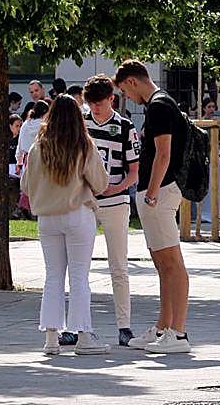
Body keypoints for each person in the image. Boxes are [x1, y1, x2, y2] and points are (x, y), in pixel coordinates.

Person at [20, 94, 111, 356]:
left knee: (53, 277)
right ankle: (83, 336)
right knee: (79, 277)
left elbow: (26, 185)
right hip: (77, 213)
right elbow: (101, 183)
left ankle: (51, 338)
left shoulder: (38, 147)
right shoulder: (83, 144)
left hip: (47, 218)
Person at [114, 59, 191, 353]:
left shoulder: (159, 105)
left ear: (133, 81)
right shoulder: (160, 104)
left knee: (172, 264)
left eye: (125, 91)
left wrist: (152, 193)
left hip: (158, 192)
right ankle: (163, 328)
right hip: (155, 191)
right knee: (163, 265)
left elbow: (163, 154)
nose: (128, 98)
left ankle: (178, 333)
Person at [83, 75, 139, 346]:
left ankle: (124, 325)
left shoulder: (126, 127)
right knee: (79, 266)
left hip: (115, 203)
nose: (95, 109)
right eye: (91, 104)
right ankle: (79, 325)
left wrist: (115, 189)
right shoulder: (82, 124)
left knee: (118, 265)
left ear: (111, 99)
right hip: (86, 202)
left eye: (100, 103)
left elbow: (134, 172)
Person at [16, 100, 48, 167]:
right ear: (45, 112)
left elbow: (20, 144)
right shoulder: (45, 126)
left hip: (27, 159)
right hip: (42, 159)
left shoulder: (25, 124)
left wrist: (19, 162)